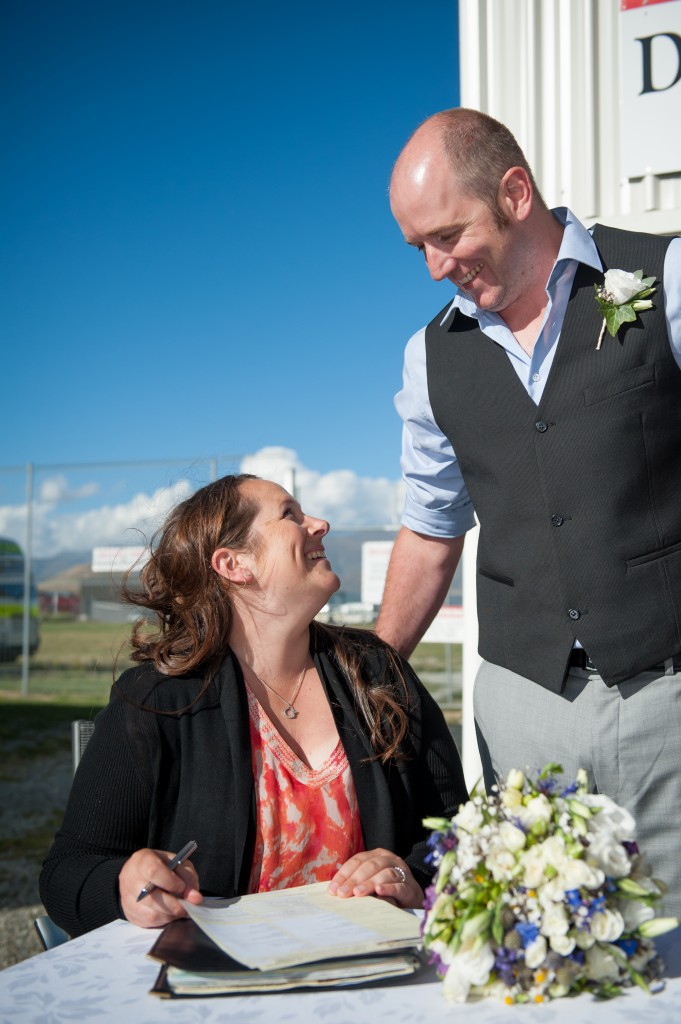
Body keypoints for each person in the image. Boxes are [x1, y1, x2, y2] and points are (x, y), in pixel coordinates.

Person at [375, 107, 681, 916]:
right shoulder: (429, 357)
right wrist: (368, 672)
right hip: (522, 709)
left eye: (447, 236)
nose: (436, 268)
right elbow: (429, 530)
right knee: (538, 958)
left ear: (514, 192)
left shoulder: (665, 276)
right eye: (419, 249)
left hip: (666, 698)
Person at [40, 474, 467, 937]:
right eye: (290, 515)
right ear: (233, 563)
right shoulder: (154, 702)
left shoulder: (379, 673)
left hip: (372, 977)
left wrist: (410, 874)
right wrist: (125, 885)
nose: (320, 524)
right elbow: (67, 873)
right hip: (221, 989)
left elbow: (459, 832)